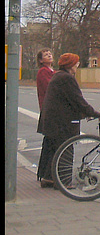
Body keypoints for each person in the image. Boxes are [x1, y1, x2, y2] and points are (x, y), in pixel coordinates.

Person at [37, 53, 100, 187]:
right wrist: (93, 113)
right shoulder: (67, 78)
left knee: (54, 149)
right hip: (62, 122)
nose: (78, 65)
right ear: (71, 65)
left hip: (52, 120)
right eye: (76, 63)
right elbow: (77, 99)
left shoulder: (58, 76)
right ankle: (64, 182)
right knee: (66, 148)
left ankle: (49, 178)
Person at [35, 48, 56, 187]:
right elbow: (52, 87)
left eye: (50, 53)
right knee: (51, 142)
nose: (49, 55)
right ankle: (47, 174)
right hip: (49, 110)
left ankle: (44, 173)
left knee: (48, 143)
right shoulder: (44, 71)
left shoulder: (50, 71)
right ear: (41, 60)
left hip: (48, 109)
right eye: (46, 55)